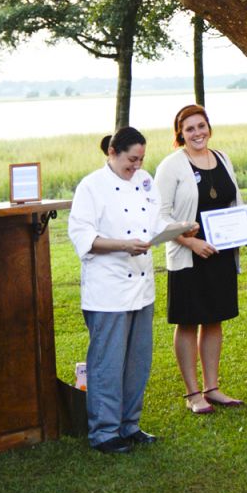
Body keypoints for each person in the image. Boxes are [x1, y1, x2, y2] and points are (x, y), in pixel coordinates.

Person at [68, 128, 192, 453]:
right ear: (113, 151)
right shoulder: (91, 186)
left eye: (140, 159)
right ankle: (104, 432)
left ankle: (130, 424)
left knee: (138, 361)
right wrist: (122, 245)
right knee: (107, 363)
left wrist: (179, 229)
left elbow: (153, 227)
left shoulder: (145, 180)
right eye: (131, 159)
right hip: (107, 290)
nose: (136, 166)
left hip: (141, 286)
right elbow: (84, 237)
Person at [155, 104, 246, 414]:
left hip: (220, 255)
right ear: (180, 133)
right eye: (190, 128)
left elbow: (235, 203)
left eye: (201, 126)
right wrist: (191, 242)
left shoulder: (222, 159)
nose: (197, 133)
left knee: (214, 319)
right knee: (188, 321)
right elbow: (160, 216)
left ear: (209, 127)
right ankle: (193, 394)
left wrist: (244, 234)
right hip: (188, 257)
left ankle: (213, 387)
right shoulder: (171, 165)